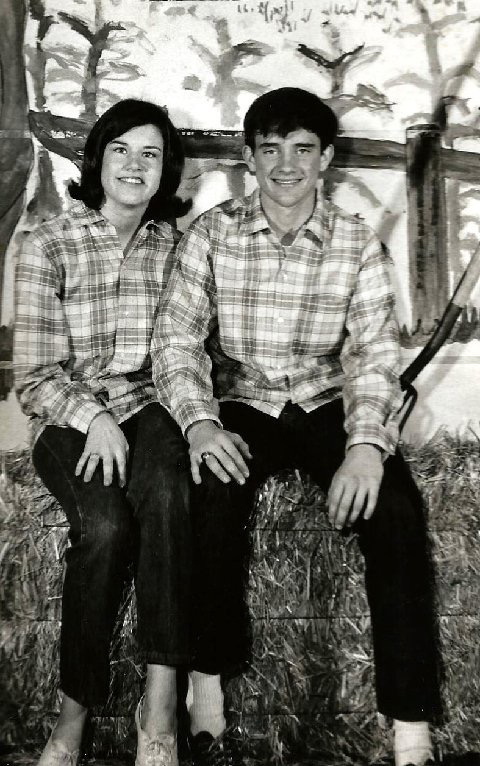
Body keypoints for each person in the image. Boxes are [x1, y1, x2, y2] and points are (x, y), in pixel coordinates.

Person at [151, 87, 442, 766]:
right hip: (245, 397)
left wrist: (367, 446)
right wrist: (198, 424)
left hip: (323, 397)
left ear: (327, 159)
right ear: (249, 157)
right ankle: (209, 674)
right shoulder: (212, 233)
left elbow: (372, 354)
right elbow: (175, 342)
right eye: (272, 150)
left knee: (396, 508)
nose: (287, 165)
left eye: (303, 149)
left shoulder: (353, 242)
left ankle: (410, 721)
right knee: (210, 495)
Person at [14, 98, 238, 766]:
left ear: (167, 170)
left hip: (154, 405)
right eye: (121, 149)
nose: (135, 166)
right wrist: (95, 418)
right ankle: (72, 715)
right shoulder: (44, 244)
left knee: (169, 500)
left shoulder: (176, 245)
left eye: (151, 154)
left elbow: (186, 350)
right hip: (69, 413)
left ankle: (159, 715)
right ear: (97, 158)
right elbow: (34, 377)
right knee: (107, 530)